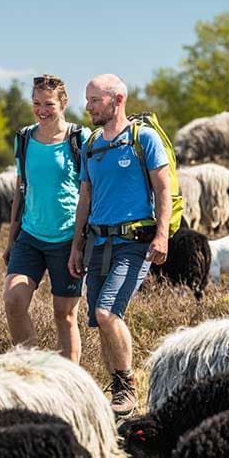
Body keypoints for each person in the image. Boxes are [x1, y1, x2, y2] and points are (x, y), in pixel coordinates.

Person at [68, 73, 171, 416]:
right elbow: (86, 196)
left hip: (134, 243)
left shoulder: (145, 139)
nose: (88, 106)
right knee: (101, 322)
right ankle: (116, 389)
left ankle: (127, 387)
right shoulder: (92, 143)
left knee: (106, 311)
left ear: (118, 99)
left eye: (95, 100)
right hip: (98, 241)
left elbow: (163, 190)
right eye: (88, 99)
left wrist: (162, 235)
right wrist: (77, 244)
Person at [3, 74, 91, 363]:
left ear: (63, 103)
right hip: (30, 236)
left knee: (64, 316)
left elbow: (91, 190)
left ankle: (69, 383)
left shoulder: (81, 139)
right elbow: (20, 188)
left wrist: (81, 244)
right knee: (14, 302)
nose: (42, 109)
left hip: (68, 239)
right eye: (37, 103)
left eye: (49, 104)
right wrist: (11, 239)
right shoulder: (24, 139)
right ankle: (33, 370)